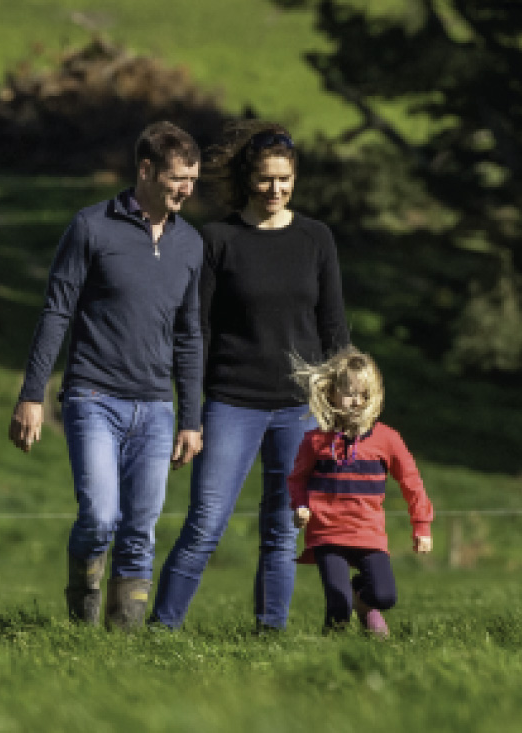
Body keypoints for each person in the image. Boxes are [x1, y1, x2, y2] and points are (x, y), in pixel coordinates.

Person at [150, 121, 350, 632]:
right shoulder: (218, 240)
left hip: (300, 408)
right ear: (247, 178)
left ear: (295, 178)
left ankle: (270, 632)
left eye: (284, 179)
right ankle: (161, 628)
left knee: (283, 529)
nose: (275, 188)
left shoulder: (316, 239)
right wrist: (191, 412)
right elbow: (197, 331)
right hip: (231, 403)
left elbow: (333, 327)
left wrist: (344, 406)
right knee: (206, 524)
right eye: (265, 178)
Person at [8, 121, 205, 630]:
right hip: (92, 397)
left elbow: (189, 335)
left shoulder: (191, 244)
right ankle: (82, 612)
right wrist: (32, 395)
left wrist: (191, 419)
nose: (187, 189)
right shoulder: (91, 227)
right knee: (99, 517)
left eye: (193, 179)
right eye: (178, 178)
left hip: (156, 407)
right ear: (146, 170)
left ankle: (122, 642)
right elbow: (56, 312)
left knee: (140, 529)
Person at [288, 347, 433, 637]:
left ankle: (362, 600)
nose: (357, 401)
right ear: (332, 393)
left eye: (364, 395)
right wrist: (300, 506)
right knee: (338, 607)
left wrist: (421, 525)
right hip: (327, 534)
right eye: (350, 393)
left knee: (384, 596)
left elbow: (411, 482)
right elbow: (297, 479)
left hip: (368, 533)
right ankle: (328, 654)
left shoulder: (388, 439)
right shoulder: (315, 441)